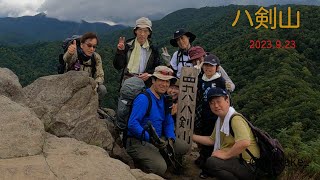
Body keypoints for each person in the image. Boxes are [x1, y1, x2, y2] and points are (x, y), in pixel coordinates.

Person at [126, 66, 189, 176]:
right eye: (161, 80)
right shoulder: (144, 99)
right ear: (153, 80)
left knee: (184, 146)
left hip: (158, 139)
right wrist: (149, 138)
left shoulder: (164, 99)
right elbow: (132, 124)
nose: (164, 84)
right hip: (138, 141)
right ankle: (144, 168)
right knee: (160, 167)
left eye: (167, 81)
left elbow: (168, 121)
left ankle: (162, 156)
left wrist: (170, 138)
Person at [192, 87, 260, 179]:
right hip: (239, 161)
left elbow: (244, 142)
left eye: (218, 101)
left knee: (212, 162)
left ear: (227, 100)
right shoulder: (220, 120)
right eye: (212, 103)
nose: (216, 105)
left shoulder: (235, 119)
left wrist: (225, 155)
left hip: (249, 165)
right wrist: (190, 136)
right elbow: (211, 140)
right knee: (211, 162)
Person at [194, 54, 226, 170]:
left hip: (215, 115)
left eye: (211, 66)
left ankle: (209, 165)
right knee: (204, 135)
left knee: (212, 138)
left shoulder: (220, 81)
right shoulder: (202, 79)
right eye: (206, 65)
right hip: (203, 113)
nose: (208, 68)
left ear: (217, 68)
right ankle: (203, 157)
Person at [113, 17, 162, 87]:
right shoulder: (127, 46)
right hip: (128, 81)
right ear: (135, 31)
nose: (142, 34)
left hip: (146, 82)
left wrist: (149, 74)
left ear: (149, 33)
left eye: (145, 31)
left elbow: (157, 67)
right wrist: (120, 52)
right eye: (140, 30)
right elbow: (118, 66)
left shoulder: (153, 49)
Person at [63, 32, 106, 107]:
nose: (92, 49)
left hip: (89, 86)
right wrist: (69, 53)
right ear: (82, 45)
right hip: (72, 85)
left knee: (102, 89)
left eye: (94, 46)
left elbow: (100, 76)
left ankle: (95, 107)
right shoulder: (75, 54)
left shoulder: (96, 57)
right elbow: (67, 59)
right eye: (89, 45)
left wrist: (95, 85)